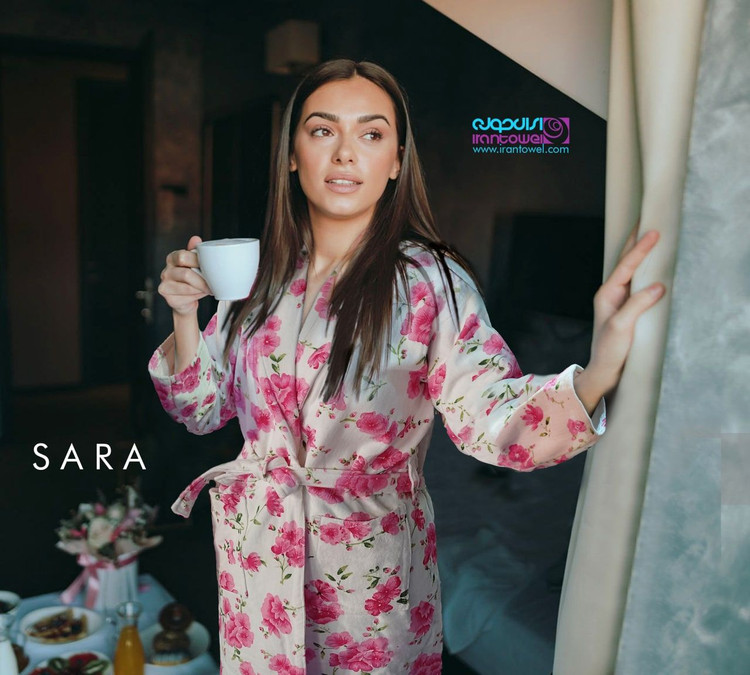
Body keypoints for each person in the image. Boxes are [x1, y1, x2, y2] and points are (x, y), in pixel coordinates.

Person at [148, 59, 665, 675]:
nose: (345, 153)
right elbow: (200, 411)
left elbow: (490, 417)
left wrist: (598, 368)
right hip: (259, 560)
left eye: (370, 134)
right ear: (291, 155)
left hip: (368, 574)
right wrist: (185, 314)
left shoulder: (428, 280)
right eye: (322, 130)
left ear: (396, 160)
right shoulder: (255, 277)